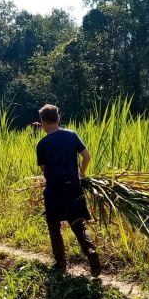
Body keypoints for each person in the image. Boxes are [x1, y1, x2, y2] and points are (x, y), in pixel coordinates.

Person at [35, 104, 102, 277]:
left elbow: (44, 170)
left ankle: (60, 263)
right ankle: (91, 254)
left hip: (54, 190)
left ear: (43, 122)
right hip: (73, 186)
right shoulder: (71, 135)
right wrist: (82, 173)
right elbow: (86, 156)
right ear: (58, 118)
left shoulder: (42, 144)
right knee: (77, 224)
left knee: (54, 226)